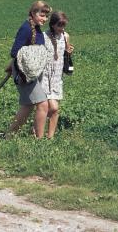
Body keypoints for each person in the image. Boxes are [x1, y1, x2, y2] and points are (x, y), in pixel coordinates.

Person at [7, 0, 52, 139]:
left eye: (46, 16)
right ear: (33, 13)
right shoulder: (26, 28)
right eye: (41, 15)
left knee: (27, 106)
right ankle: (39, 140)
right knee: (43, 104)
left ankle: (9, 135)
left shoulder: (37, 29)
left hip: (33, 71)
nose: (44, 19)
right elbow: (15, 51)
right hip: (24, 73)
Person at [41, 11, 74, 139]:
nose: (62, 28)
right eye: (60, 25)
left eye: (64, 25)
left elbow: (66, 52)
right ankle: (37, 132)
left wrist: (69, 51)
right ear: (53, 24)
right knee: (49, 107)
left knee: (54, 109)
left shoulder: (66, 36)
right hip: (44, 75)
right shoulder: (44, 36)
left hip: (57, 76)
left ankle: (50, 137)